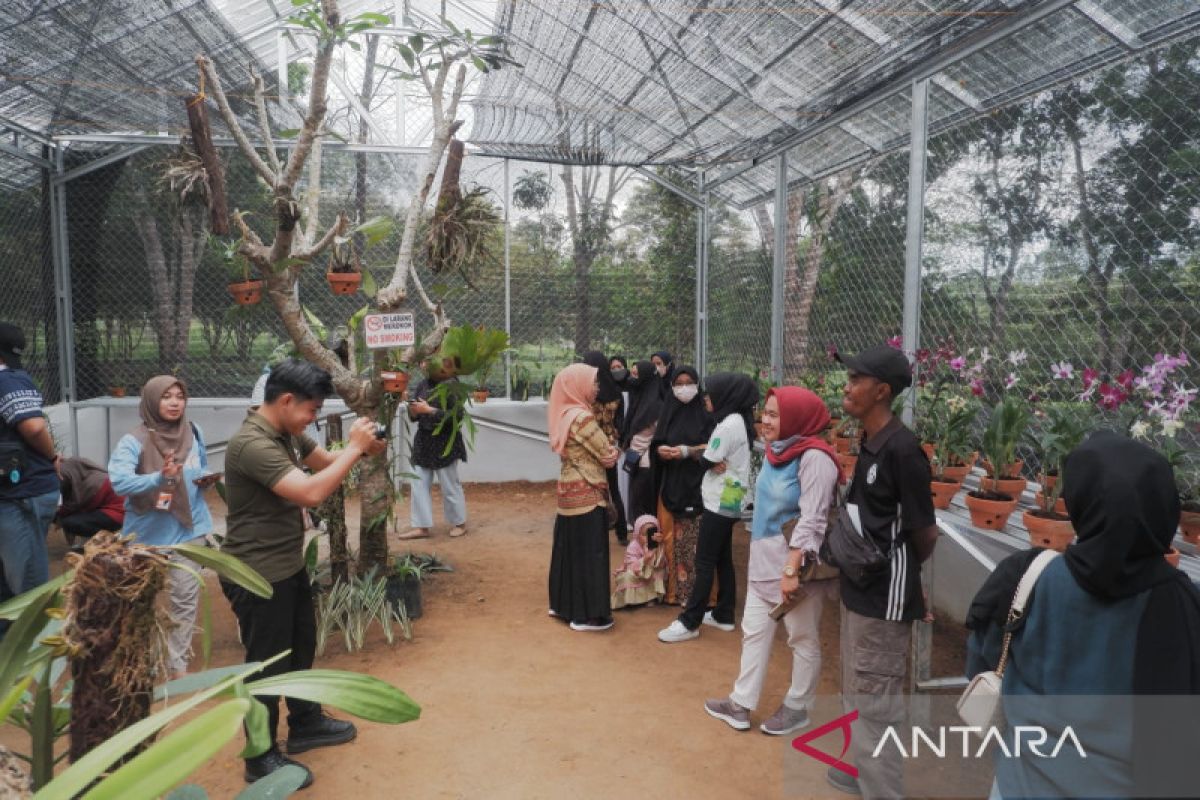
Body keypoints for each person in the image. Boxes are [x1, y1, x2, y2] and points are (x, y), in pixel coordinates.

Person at [966, 432, 1200, 800]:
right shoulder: (1182, 604)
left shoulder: (1026, 577)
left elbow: (981, 662)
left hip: (1021, 785)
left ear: (1079, 502)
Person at [220, 359, 387, 787]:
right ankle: (259, 756)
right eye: (312, 410)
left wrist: (365, 447)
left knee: (299, 650)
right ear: (287, 400)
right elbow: (312, 492)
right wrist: (353, 449)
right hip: (256, 572)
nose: (314, 418)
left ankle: (305, 723)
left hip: (285, 564)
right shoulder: (251, 443)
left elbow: (325, 462)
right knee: (265, 665)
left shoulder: (287, 431)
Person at [827, 345, 938, 798]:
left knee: (876, 702)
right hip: (860, 590)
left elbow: (924, 534)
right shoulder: (871, 444)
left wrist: (905, 578)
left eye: (856, 380)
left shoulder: (903, 451)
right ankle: (866, 773)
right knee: (858, 689)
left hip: (882, 600)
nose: (847, 387)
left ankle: (883, 789)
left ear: (882, 391)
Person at [703, 387, 841, 735]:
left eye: (776, 414)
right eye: (765, 412)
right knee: (754, 631)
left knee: (801, 637)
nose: (766, 420)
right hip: (763, 559)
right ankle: (740, 703)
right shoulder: (775, 452)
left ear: (798, 418)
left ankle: (798, 706)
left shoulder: (816, 459)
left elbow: (813, 519)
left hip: (796, 568)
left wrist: (791, 570)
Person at [108, 376, 218, 680]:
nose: (174, 402)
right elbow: (118, 481)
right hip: (147, 537)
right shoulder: (134, 440)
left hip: (189, 528)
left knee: (184, 599)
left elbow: (201, 463)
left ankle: (176, 665)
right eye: (166, 396)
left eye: (179, 396)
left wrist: (205, 477)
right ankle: (141, 663)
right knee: (141, 601)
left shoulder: (194, 431)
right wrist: (159, 478)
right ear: (151, 400)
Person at [659, 372, 759, 642]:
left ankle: (689, 621)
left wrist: (691, 453)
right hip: (732, 496)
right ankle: (723, 613)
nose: (705, 396)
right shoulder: (738, 421)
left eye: (710, 392)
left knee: (703, 561)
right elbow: (710, 456)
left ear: (726, 395)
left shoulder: (727, 426)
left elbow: (707, 459)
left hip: (721, 498)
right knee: (721, 557)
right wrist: (703, 454)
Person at [547, 362, 620, 632]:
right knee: (592, 552)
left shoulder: (563, 414)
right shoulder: (582, 417)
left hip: (567, 491)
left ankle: (563, 605)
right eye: (593, 383)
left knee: (568, 550)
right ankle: (589, 615)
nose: (597, 388)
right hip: (588, 492)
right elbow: (608, 454)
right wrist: (611, 448)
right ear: (578, 385)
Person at [0, 324, 60, 633]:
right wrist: (53, 457)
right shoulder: (10, 379)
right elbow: (34, 428)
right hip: (21, 493)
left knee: (12, 583)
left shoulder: (7, 379)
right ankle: (28, 663)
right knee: (30, 590)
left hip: (16, 495)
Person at [650, 366, 714, 605]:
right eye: (679, 383)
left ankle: (700, 596)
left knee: (696, 541)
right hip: (672, 484)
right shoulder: (668, 411)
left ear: (697, 385)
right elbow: (657, 443)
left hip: (700, 485)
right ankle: (673, 593)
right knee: (671, 540)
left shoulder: (707, 415)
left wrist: (687, 452)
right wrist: (660, 451)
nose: (684, 387)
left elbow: (715, 447)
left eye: (689, 382)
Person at [400, 357, 468, 541]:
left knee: (449, 484)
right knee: (419, 483)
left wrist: (429, 410)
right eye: (422, 362)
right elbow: (415, 417)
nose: (423, 365)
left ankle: (459, 523)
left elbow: (457, 416)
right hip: (423, 440)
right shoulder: (422, 384)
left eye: (427, 361)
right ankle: (421, 527)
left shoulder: (452, 384)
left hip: (445, 441)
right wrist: (411, 406)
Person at [582, 351, 627, 544]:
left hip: (590, 447)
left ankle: (598, 530)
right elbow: (621, 424)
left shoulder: (588, 392)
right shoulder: (616, 392)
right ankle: (622, 533)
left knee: (595, 489)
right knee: (614, 488)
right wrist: (613, 440)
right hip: (608, 446)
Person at [621, 360, 663, 523]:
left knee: (644, 506)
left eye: (636, 375)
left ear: (645, 377)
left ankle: (647, 544)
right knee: (638, 505)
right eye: (632, 374)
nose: (632, 378)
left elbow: (646, 437)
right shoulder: (639, 399)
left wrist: (630, 452)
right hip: (638, 462)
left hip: (646, 464)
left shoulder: (655, 406)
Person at [55, 457, 124, 547]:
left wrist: (59, 514)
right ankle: (88, 541)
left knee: (70, 522)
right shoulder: (90, 475)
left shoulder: (93, 484)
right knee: (71, 518)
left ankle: (110, 539)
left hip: (117, 515)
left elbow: (84, 507)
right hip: (111, 511)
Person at [611, 514, 665, 610]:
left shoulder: (657, 545)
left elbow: (661, 563)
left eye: (651, 534)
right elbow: (631, 566)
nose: (647, 538)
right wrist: (644, 560)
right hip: (636, 573)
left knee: (659, 572)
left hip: (650, 575)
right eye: (644, 535)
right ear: (636, 534)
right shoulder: (633, 546)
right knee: (627, 577)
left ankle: (651, 597)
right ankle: (632, 600)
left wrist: (658, 549)